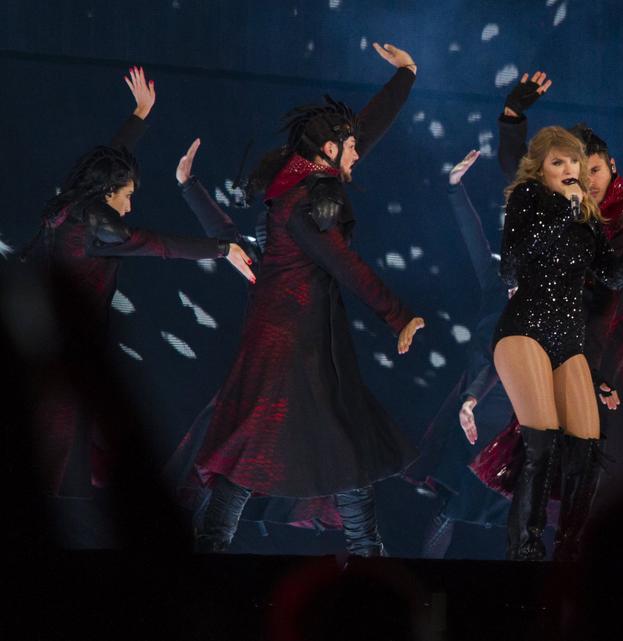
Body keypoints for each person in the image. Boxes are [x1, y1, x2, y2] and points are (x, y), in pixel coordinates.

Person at [185, 43, 424, 557]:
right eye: (350, 147)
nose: (360, 152)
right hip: (291, 340)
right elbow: (345, 264)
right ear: (329, 150)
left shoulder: (303, 175)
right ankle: (364, 553)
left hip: (293, 332)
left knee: (307, 438)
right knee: (310, 438)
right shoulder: (302, 200)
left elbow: (361, 134)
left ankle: (362, 551)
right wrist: (398, 315)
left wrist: (405, 76)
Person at [23, 67, 254, 501]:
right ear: (108, 194)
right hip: (60, 364)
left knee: (105, 439)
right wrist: (221, 250)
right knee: (52, 458)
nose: (129, 207)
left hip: (68, 354)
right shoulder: (100, 228)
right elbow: (157, 245)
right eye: (126, 196)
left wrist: (141, 115)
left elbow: (107, 160)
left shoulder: (77, 199)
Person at [495, 71, 623, 511]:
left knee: (619, 454)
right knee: (549, 451)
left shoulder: (619, 218)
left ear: (610, 167)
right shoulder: (563, 203)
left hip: (607, 342)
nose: (583, 176)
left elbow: (611, 293)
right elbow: (522, 187)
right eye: (571, 166)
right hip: (553, 331)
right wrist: (512, 117)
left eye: (589, 167)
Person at [404, 150, 515, 558]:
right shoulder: (494, 287)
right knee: (450, 504)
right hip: (474, 405)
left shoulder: (542, 304)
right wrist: (455, 189)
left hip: (512, 411)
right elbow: (475, 241)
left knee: (511, 511)